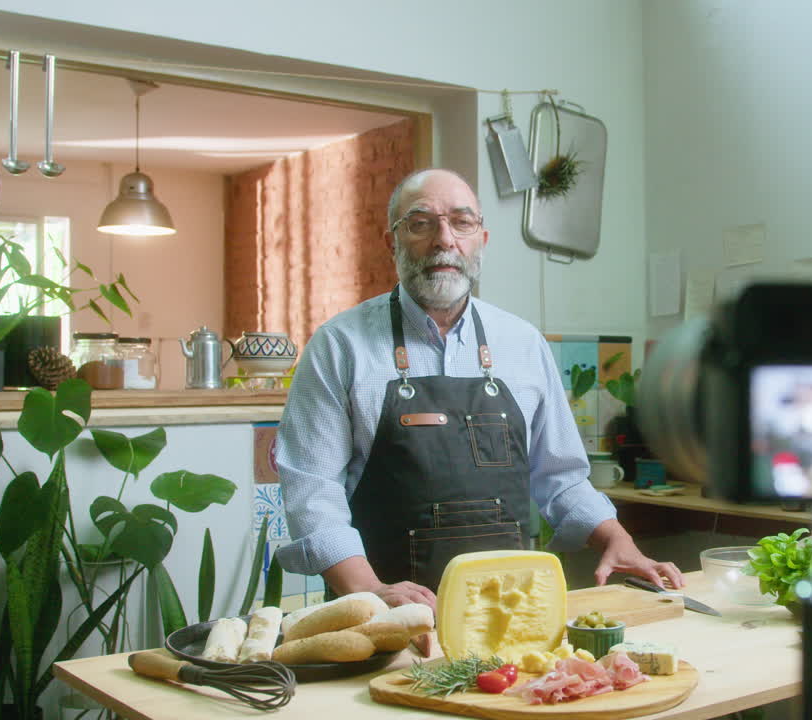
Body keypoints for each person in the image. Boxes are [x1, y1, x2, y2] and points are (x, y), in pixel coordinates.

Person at [275, 168, 683, 611]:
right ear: (390, 241)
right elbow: (312, 490)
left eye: (461, 222)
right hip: (384, 616)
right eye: (420, 223)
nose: (444, 240)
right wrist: (368, 591)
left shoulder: (522, 343)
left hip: (510, 609)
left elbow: (562, 478)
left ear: (481, 240)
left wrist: (617, 538)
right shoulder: (340, 345)